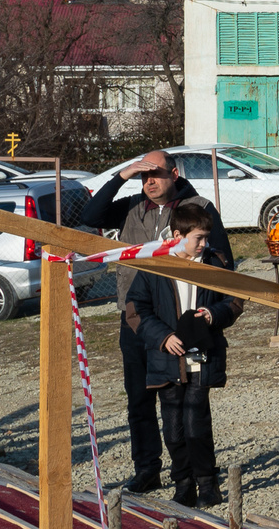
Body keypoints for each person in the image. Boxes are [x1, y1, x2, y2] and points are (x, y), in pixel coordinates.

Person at [83, 149, 233, 495]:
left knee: (187, 408)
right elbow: (91, 215)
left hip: (182, 322)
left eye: (156, 174)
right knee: (139, 398)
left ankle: (196, 476)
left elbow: (224, 264)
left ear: (174, 174)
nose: (149, 181)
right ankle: (147, 468)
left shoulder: (198, 208)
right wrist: (121, 175)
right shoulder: (132, 207)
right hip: (138, 316)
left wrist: (211, 314)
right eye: (142, 176)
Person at [128, 198, 242, 508]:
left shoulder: (214, 263)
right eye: (199, 238)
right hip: (167, 359)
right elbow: (135, 309)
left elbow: (233, 301)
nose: (205, 244)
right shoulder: (155, 265)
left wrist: (213, 314)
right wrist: (163, 337)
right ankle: (183, 484)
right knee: (174, 429)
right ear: (177, 236)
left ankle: (207, 483)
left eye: (207, 237)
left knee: (196, 424)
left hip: (202, 358)